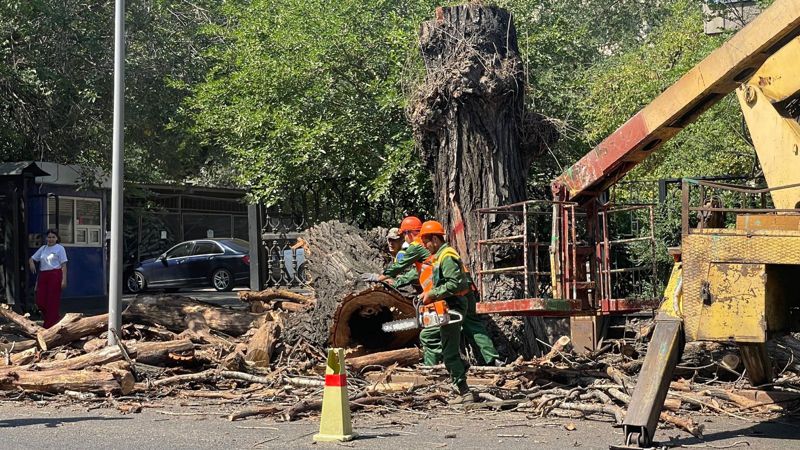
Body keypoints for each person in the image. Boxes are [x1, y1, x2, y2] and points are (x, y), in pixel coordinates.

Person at [418, 220, 477, 404]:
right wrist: (428, 294)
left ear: (434, 239)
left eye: (426, 242)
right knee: (432, 337)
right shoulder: (441, 255)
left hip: (454, 307)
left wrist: (433, 294)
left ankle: (465, 393)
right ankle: (461, 366)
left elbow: (454, 283)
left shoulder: (447, 256)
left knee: (449, 351)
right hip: (447, 306)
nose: (426, 247)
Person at [29, 229, 68, 328]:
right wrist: (32, 263)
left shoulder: (60, 248)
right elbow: (32, 258)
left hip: (55, 275)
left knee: (52, 301)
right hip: (43, 275)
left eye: (53, 237)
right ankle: (54, 318)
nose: (50, 239)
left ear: (57, 238)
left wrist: (64, 280)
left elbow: (64, 265)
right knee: (40, 301)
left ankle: (50, 324)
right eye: (49, 237)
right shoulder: (43, 248)